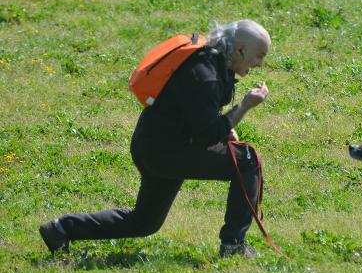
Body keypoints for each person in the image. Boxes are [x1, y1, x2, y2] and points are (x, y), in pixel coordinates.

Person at [39, 19, 271, 258]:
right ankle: (233, 246)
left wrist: (224, 127)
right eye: (259, 55)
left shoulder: (207, 59)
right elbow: (207, 135)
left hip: (152, 147)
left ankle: (61, 229)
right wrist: (244, 106)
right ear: (240, 49)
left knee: (144, 222)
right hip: (166, 153)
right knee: (247, 161)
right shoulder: (206, 76)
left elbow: (200, 115)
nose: (260, 64)